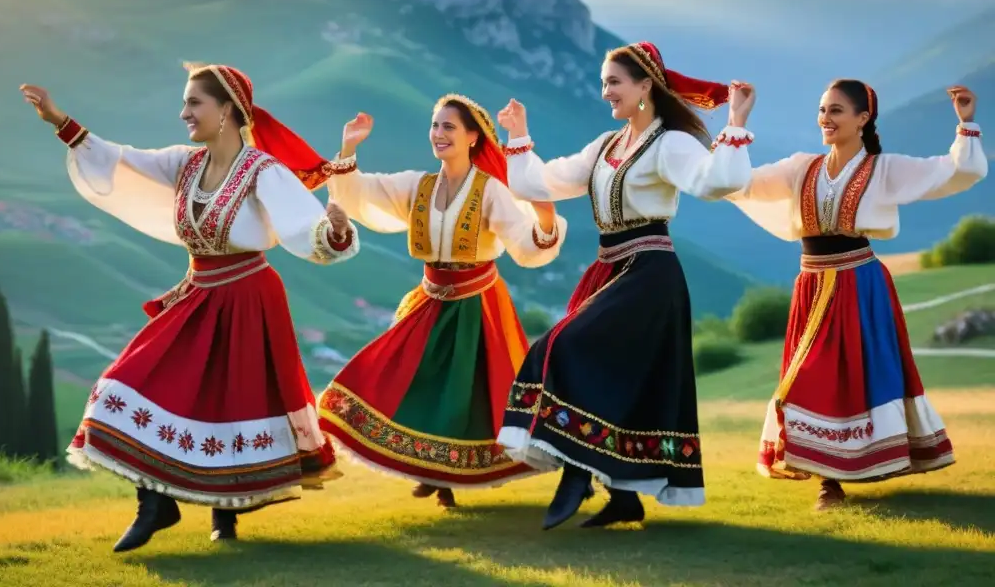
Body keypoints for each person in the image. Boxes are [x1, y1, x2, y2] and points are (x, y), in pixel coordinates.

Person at [19, 63, 360, 552]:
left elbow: (305, 229)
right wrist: (61, 121)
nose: (183, 113)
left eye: (194, 103)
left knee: (232, 400)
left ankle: (223, 515)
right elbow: (122, 159)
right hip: (199, 291)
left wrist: (336, 230)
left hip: (247, 296)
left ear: (227, 110)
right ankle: (158, 504)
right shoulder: (185, 163)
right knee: (125, 383)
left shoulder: (263, 172)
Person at [496, 41, 757, 530]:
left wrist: (735, 124)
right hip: (611, 267)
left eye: (614, 82)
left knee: (566, 346)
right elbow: (545, 183)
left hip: (650, 272)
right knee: (620, 380)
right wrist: (519, 135)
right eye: (604, 83)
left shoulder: (671, 143)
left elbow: (712, 182)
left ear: (645, 86)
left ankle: (575, 470)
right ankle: (624, 496)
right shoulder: (606, 145)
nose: (606, 92)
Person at [725, 79, 986, 510]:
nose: (825, 119)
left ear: (863, 119)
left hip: (859, 283)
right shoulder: (800, 167)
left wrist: (966, 124)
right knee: (808, 374)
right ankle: (829, 477)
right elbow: (740, 184)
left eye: (837, 111)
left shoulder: (884, 168)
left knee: (853, 375)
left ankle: (838, 477)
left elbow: (954, 172)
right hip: (811, 283)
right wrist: (737, 120)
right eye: (823, 110)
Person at [317, 94, 568, 507]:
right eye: (435, 126)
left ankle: (445, 478)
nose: (438, 134)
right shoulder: (418, 185)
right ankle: (432, 472)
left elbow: (525, 245)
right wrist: (349, 147)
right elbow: (360, 193)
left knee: (465, 395)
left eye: (449, 127)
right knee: (412, 381)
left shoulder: (491, 192)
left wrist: (543, 219)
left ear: (473, 137)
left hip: (476, 304)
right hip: (431, 299)